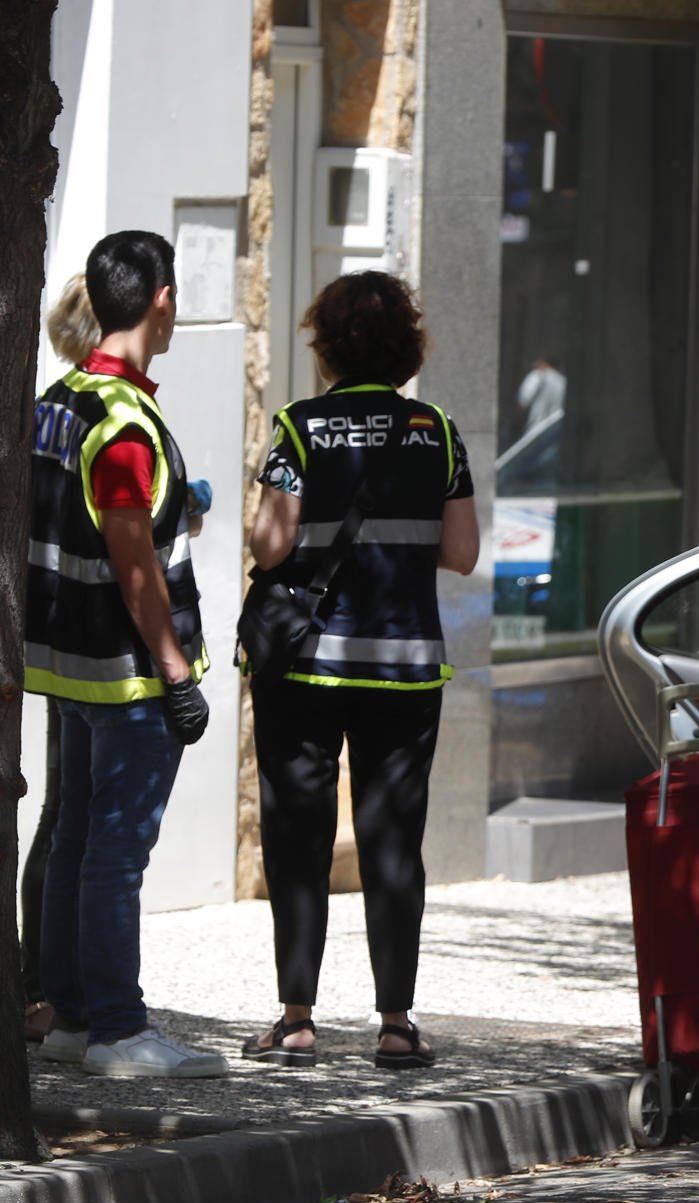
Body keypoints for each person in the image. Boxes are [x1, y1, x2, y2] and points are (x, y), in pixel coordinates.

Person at [242, 270, 478, 1069]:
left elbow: (269, 545)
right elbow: (462, 552)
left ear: (329, 345)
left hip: (305, 667)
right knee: (392, 843)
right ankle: (396, 1023)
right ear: (406, 347)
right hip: (405, 669)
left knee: (297, 837)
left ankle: (299, 1018)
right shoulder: (437, 430)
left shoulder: (300, 428)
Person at [26, 231, 223, 1078]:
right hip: (126, 673)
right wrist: (176, 671)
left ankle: (71, 1013)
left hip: (67, 666)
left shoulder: (58, 398)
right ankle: (117, 1029)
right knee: (116, 851)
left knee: (74, 837)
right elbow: (133, 562)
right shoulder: (124, 425)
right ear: (163, 299)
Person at [21, 274, 102, 1045]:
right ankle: (51, 984)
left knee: (57, 811)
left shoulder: (41, 409)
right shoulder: (97, 410)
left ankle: (41, 979)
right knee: (71, 815)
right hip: (86, 635)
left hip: (42, 628)